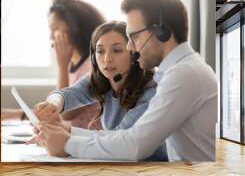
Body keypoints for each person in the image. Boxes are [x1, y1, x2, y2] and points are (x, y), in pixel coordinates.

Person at [37, 0, 218, 162]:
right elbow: (132, 140)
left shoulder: (183, 75)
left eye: (134, 37)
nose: (131, 47)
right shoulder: (179, 72)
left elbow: (135, 144)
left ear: (161, 31)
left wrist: (68, 144)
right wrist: (66, 133)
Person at [32, 21, 167, 161]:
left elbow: (119, 140)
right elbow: (68, 94)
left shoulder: (152, 91)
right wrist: (53, 105)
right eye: (100, 51)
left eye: (117, 50)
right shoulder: (103, 78)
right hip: (124, 166)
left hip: (154, 168)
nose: (107, 59)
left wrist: (66, 138)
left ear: (134, 54)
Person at [47, 0, 105, 129]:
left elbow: (66, 114)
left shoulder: (94, 65)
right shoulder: (72, 64)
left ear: (74, 27)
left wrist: (62, 67)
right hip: (74, 139)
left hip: (90, 143)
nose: (51, 36)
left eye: (55, 28)